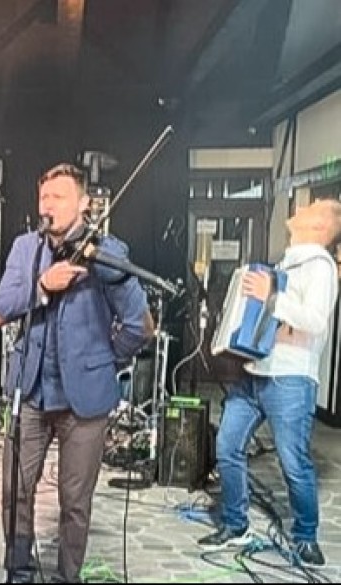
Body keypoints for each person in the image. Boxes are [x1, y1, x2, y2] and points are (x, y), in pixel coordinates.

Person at [0, 163, 153, 583]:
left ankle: (67, 576)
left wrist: (106, 360)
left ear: (84, 203)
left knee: (75, 501)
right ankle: (19, 572)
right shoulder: (25, 248)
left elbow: (140, 326)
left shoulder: (107, 251)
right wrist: (43, 286)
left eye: (58, 197)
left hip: (85, 401)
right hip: (30, 393)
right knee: (15, 490)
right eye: (44, 197)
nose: (48, 205)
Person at [198, 198, 341, 567]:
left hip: (290, 378)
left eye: (314, 207)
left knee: (293, 462)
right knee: (228, 445)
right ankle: (235, 524)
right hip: (255, 371)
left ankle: (306, 536)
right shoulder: (286, 262)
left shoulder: (320, 266)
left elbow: (316, 321)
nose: (305, 206)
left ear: (321, 226)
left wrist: (271, 298)